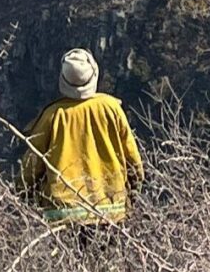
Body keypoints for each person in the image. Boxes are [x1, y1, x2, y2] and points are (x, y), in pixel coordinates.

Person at [20, 48, 144, 224]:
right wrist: (132, 193)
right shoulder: (111, 108)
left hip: (63, 214)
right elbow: (133, 161)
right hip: (110, 211)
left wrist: (23, 197)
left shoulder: (53, 116)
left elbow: (31, 168)